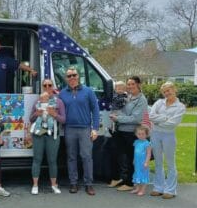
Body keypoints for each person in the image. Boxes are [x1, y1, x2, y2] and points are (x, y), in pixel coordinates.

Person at [58, 66, 100, 195]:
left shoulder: (88, 91)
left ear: (78, 76)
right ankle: (73, 183)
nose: (72, 78)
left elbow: (95, 110)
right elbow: (58, 110)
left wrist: (95, 129)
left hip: (85, 129)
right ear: (66, 78)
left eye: (74, 75)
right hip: (69, 129)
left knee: (86, 157)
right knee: (71, 157)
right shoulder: (62, 93)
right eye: (69, 76)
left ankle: (89, 184)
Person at [108, 76, 148, 192]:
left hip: (131, 133)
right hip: (120, 131)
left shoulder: (142, 100)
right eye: (128, 84)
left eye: (132, 84)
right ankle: (118, 178)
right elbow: (120, 109)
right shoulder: (127, 96)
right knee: (116, 154)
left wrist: (118, 118)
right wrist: (116, 116)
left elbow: (136, 118)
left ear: (139, 84)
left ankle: (129, 183)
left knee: (129, 158)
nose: (130, 86)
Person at [148, 82, 186, 199]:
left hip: (168, 136)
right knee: (158, 162)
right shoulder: (159, 103)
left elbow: (172, 124)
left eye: (168, 90)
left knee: (170, 163)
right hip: (155, 134)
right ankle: (158, 187)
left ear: (174, 90)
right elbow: (151, 116)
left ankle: (170, 189)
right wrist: (165, 118)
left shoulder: (180, 107)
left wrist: (158, 121)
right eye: (164, 92)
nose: (166, 93)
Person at [28, 80, 66, 194]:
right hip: (39, 134)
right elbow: (31, 118)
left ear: (53, 86)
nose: (47, 87)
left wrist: (54, 114)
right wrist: (36, 114)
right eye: (45, 85)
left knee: (52, 160)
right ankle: (35, 185)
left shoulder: (59, 102)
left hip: (52, 134)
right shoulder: (37, 101)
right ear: (42, 87)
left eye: (50, 85)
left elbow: (64, 120)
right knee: (37, 159)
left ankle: (54, 185)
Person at [131, 126, 152, 196]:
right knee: (137, 175)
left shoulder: (147, 143)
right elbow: (135, 152)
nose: (141, 136)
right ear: (136, 134)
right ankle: (137, 188)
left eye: (143, 134)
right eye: (139, 134)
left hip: (143, 163)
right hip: (137, 162)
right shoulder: (136, 142)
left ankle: (142, 190)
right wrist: (134, 159)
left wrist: (146, 162)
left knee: (143, 176)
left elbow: (149, 154)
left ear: (146, 134)